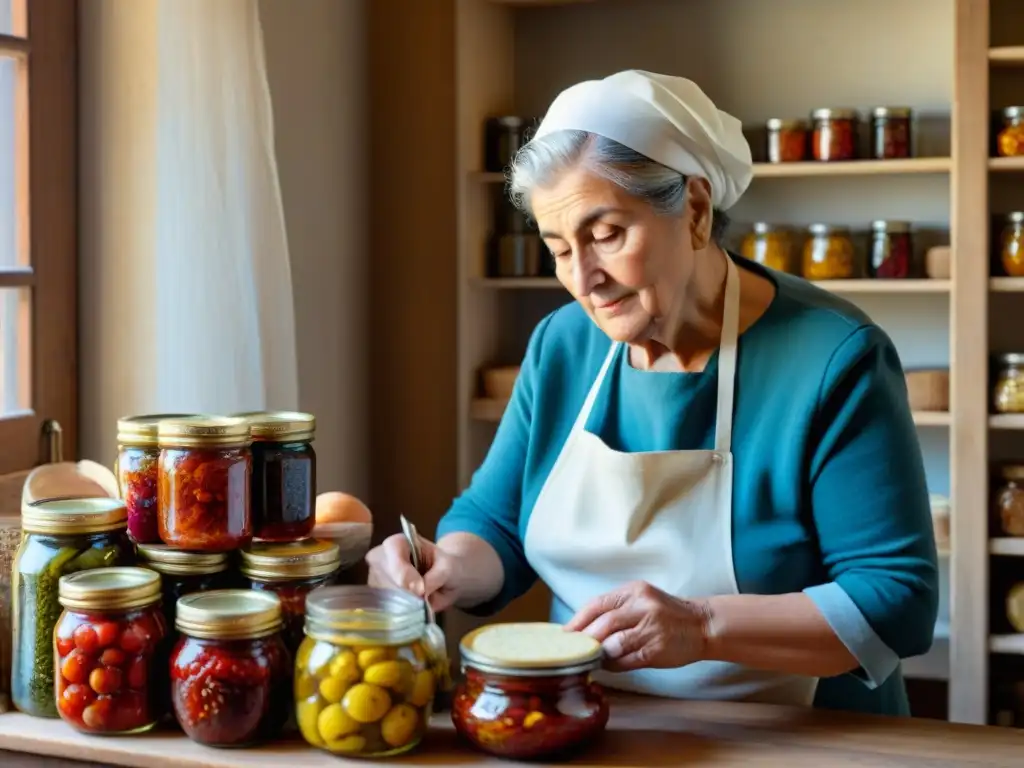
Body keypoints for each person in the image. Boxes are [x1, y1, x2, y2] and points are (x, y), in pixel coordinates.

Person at [366, 70, 938, 716]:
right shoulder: (563, 345)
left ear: (694, 211)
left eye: (606, 234)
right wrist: (444, 567)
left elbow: (897, 601)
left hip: (796, 738)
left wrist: (702, 627)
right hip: (590, 725)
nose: (584, 280)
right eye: (558, 248)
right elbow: (496, 521)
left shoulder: (833, 360)